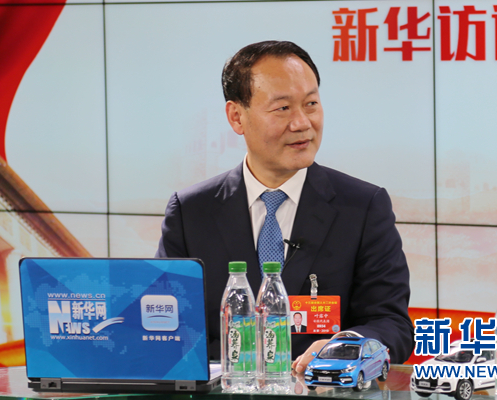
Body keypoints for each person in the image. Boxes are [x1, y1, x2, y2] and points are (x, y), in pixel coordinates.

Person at [156, 41, 414, 370]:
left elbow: (392, 324)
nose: (302, 123)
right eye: (282, 108)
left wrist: (346, 347)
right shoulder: (191, 212)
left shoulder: (363, 207)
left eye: (311, 104)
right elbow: (165, 325)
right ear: (237, 117)